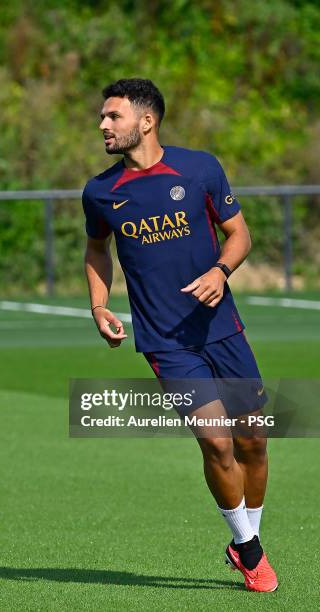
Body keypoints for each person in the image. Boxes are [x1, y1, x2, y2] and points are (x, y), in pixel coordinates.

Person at [82, 78, 278, 592]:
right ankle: (253, 552)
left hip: (223, 330)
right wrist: (99, 305)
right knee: (216, 443)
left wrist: (220, 272)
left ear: (146, 121)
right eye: (103, 117)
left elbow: (241, 235)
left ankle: (243, 545)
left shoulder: (200, 169)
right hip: (166, 341)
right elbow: (97, 250)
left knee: (253, 440)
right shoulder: (101, 191)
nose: (103, 125)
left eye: (113, 116)